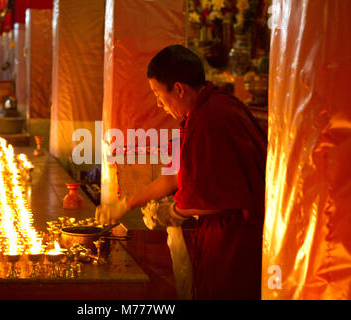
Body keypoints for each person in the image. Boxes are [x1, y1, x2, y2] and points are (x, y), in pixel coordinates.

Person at [96, 45, 267, 299]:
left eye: (157, 93)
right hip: (220, 235)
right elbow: (173, 175)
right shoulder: (199, 113)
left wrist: (172, 212)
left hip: (234, 240)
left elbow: (214, 198)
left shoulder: (212, 119)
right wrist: (126, 204)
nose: (158, 103)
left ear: (178, 89)